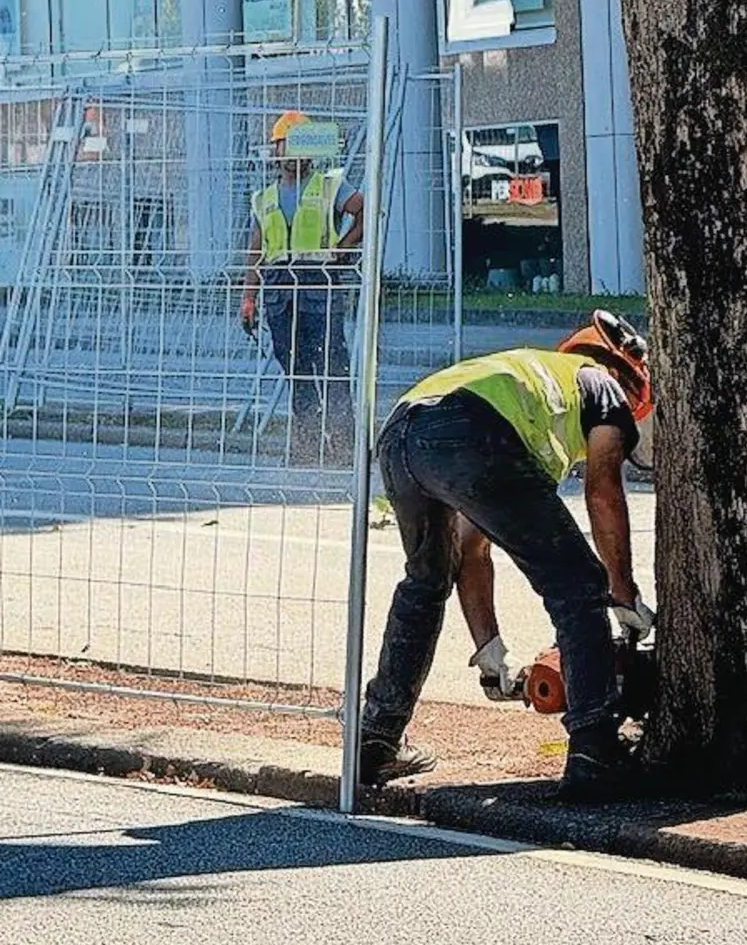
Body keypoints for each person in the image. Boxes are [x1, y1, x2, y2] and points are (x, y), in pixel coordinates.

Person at [358, 310, 655, 804]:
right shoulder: (604, 389)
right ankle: (593, 752)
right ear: (630, 379)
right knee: (580, 585)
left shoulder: (532, 378)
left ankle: (377, 739)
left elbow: (471, 550)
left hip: (402, 433)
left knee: (427, 581)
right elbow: (604, 494)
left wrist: (490, 650)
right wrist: (623, 593)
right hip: (473, 432)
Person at [240, 111, 364, 466]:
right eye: (287, 145)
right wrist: (248, 298)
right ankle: (308, 448)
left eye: (302, 145)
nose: (295, 154)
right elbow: (256, 251)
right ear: (276, 149)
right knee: (297, 371)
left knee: (332, 366)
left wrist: (343, 249)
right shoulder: (263, 198)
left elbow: (364, 209)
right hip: (279, 292)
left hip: (318, 283)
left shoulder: (329, 185)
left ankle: (344, 448)